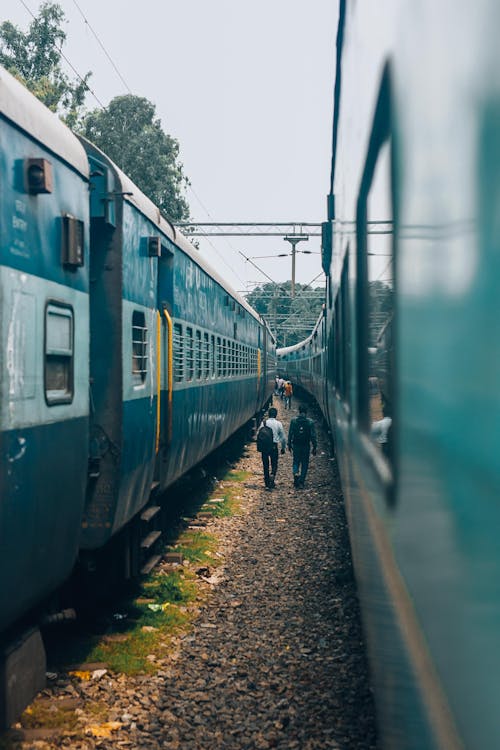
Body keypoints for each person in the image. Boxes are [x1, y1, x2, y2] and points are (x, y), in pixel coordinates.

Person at [287, 404, 317, 488]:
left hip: (296, 445)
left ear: (299, 411)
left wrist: (289, 444)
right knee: (305, 463)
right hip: (305, 446)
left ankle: (296, 473)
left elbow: (290, 434)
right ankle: (301, 481)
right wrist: (314, 447)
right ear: (306, 412)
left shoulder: (293, 421)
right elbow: (313, 436)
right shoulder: (310, 422)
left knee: (296, 461)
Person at [257, 406, 286, 490]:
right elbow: (283, 438)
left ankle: (266, 482)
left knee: (265, 464)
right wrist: (283, 448)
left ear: (269, 415)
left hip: (265, 446)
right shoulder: (278, 424)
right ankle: (272, 475)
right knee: (274, 463)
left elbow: (259, 433)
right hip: (274, 446)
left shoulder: (264, 423)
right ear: (276, 415)